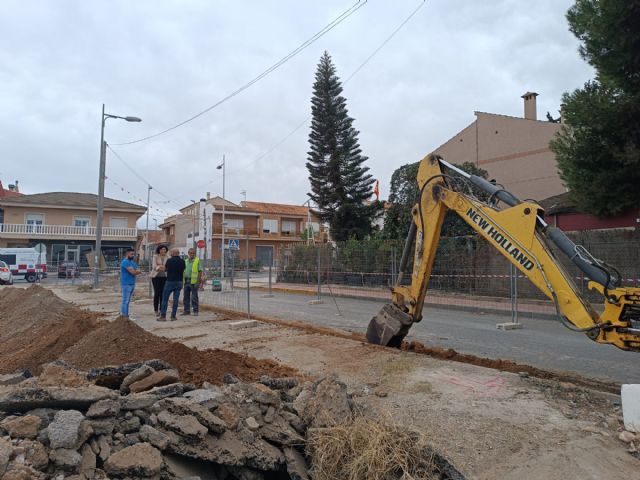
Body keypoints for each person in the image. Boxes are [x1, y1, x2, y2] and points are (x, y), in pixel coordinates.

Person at [159, 248, 185, 321]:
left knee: (165, 299)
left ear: (173, 253)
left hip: (170, 281)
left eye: (170, 252)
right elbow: (183, 270)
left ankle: (163, 316)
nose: (169, 253)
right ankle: (173, 316)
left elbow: (166, 269)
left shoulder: (169, 260)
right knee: (176, 299)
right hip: (179, 282)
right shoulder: (182, 261)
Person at [120, 247, 141, 319]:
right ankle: (124, 316)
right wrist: (136, 271)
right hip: (126, 284)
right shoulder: (125, 262)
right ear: (127, 254)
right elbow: (133, 272)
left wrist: (136, 271)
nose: (133, 255)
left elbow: (138, 269)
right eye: (131, 254)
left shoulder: (132, 262)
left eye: (133, 254)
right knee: (125, 301)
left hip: (132, 283)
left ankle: (126, 315)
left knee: (128, 301)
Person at [182, 247, 204, 316]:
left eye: (193, 253)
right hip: (186, 281)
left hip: (194, 282)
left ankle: (195, 311)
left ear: (195, 254)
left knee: (194, 297)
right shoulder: (185, 261)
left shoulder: (197, 260)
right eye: (191, 253)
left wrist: (198, 282)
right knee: (186, 297)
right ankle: (186, 310)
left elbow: (200, 271)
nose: (192, 254)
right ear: (188, 254)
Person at [151, 245, 169, 316]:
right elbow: (154, 267)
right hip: (156, 277)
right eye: (161, 249)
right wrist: (161, 267)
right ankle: (156, 310)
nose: (163, 251)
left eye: (164, 249)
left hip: (164, 277)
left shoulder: (168, 257)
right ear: (159, 250)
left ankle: (162, 309)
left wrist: (160, 266)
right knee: (157, 293)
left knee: (163, 294)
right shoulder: (155, 256)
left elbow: (168, 267)